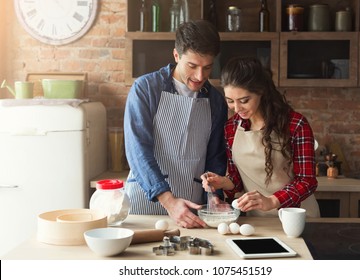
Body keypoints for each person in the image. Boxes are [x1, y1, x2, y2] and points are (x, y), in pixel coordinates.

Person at [123, 20, 228, 228]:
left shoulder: (216, 101)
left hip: (191, 211)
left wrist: (214, 197)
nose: (200, 76)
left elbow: (215, 158)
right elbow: (138, 151)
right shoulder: (145, 89)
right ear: (176, 55)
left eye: (207, 68)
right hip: (145, 207)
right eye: (192, 66)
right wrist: (168, 201)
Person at [202, 56, 320, 217]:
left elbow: (307, 181)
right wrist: (223, 182)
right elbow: (238, 180)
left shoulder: (295, 124)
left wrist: (272, 201)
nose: (237, 109)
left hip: (297, 218)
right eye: (230, 101)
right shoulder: (231, 128)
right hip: (258, 222)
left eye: (244, 100)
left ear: (261, 92)